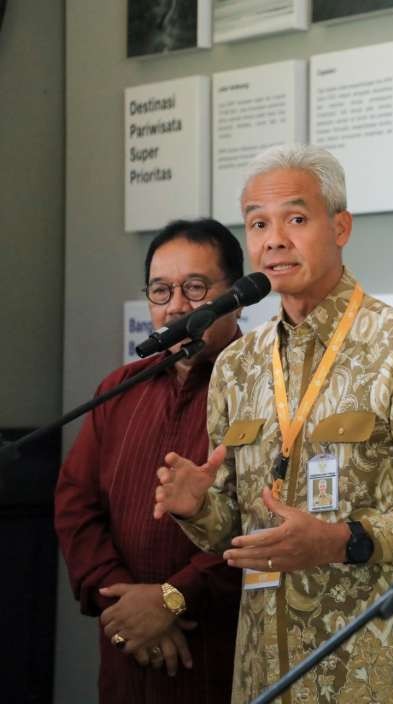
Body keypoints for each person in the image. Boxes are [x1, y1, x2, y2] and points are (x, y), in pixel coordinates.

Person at [154, 144, 393, 704]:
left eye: (296, 219)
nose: (273, 239)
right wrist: (196, 508)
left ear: (341, 226)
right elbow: (234, 526)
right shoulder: (238, 364)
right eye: (258, 223)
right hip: (263, 669)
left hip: (369, 667)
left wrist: (342, 541)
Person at [55, 219, 244, 703]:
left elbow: (266, 523)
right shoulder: (120, 388)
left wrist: (171, 599)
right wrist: (124, 604)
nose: (176, 305)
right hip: (127, 654)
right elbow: (76, 506)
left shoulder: (265, 390)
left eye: (195, 288)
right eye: (161, 291)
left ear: (236, 296)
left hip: (221, 653)